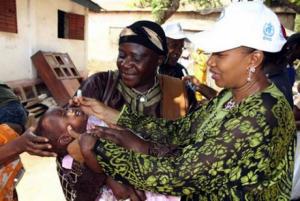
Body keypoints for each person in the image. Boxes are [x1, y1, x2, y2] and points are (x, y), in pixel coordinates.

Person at [77, 2, 295, 200]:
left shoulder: (263, 113)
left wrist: (100, 150)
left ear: (254, 59)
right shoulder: (230, 96)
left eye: (220, 54)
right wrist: (113, 116)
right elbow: (181, 130)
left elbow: (180, 175)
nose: (210, 62)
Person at [57, 20, 197, 201]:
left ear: (159, 59)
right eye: (122, 55)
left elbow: (190, 152)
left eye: (137, 58)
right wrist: (109, 178)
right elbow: (66, 138)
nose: (126, 64)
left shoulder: (179, 94)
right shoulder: (99, 85)